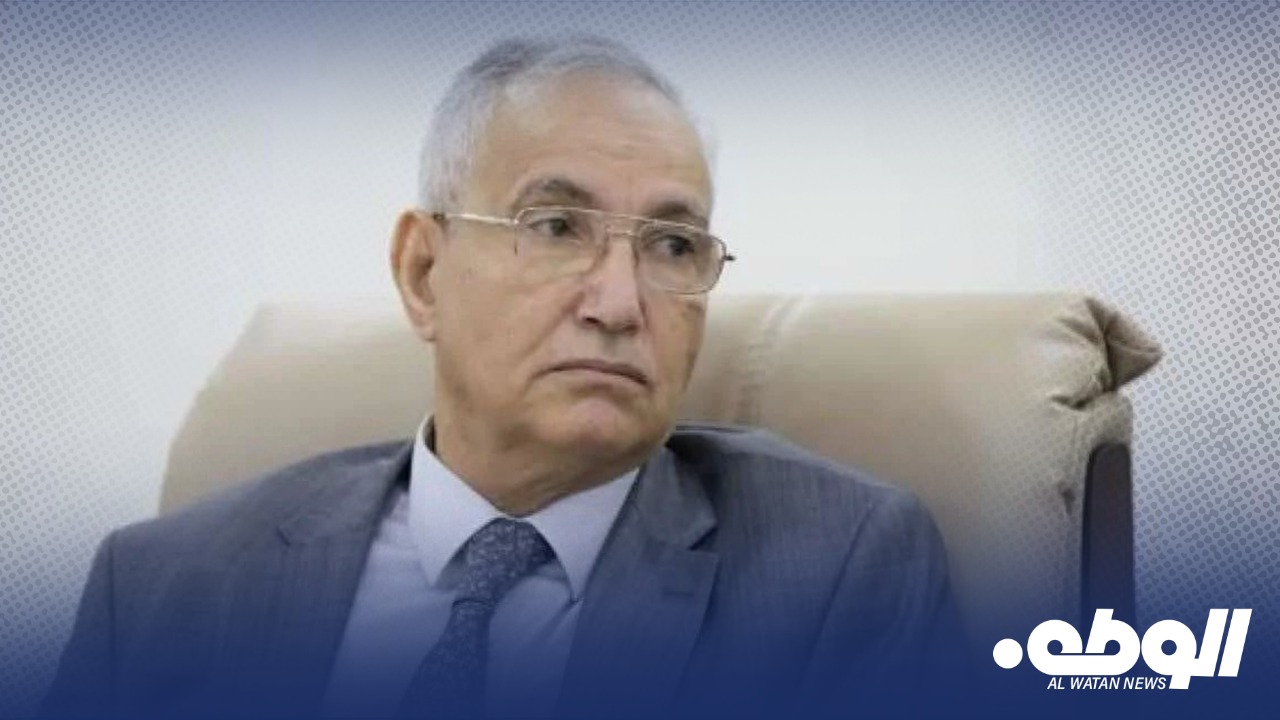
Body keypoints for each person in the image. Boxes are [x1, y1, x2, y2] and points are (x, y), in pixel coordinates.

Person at [42, 35, 960, 719]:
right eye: (556, 227)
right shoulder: (163, 586)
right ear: (423, 273)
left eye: (674, 246)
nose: (619, 303)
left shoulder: (835, 569)